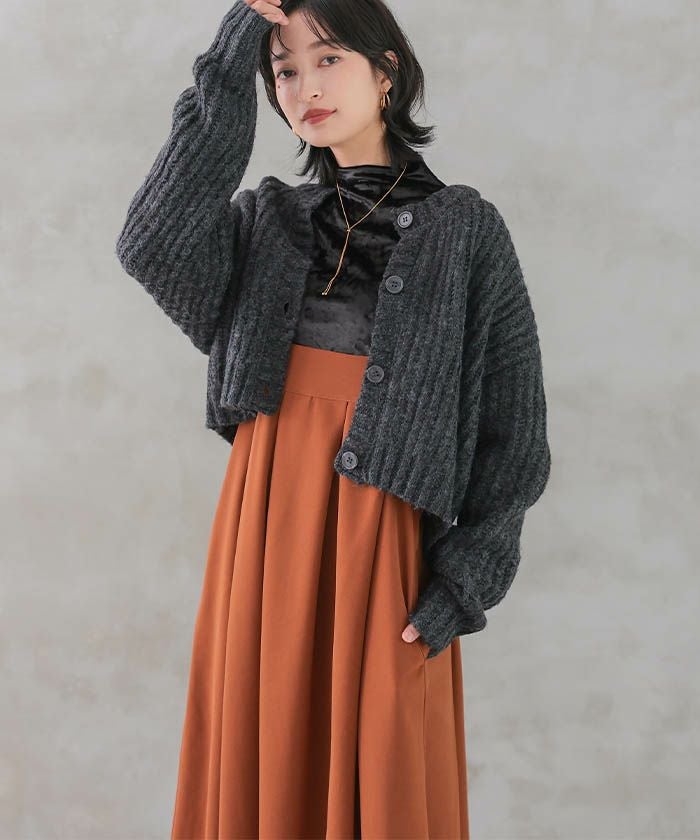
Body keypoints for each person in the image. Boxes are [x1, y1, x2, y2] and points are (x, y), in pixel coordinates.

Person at [114, 0, 552, 837]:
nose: (304, 87)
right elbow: (151, 242)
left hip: (382, 539)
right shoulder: (268, 222)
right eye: (283, 70)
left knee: (380, 773)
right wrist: (237, 43)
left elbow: (516, 437)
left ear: (386, 73)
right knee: (264, 754)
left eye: (328, 60)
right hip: (266, 523)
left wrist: (464, 584)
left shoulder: (465, 231)